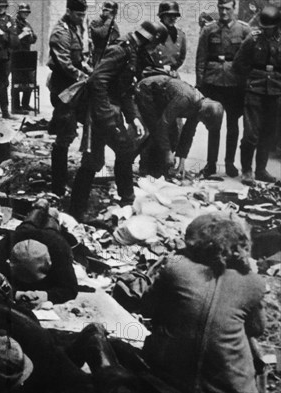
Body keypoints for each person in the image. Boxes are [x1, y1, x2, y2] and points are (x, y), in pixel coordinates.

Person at [141, 213, 266, 393]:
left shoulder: (177, 268)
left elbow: (147, 308)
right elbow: (256, 329)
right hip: (231, 388)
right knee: (249, 343)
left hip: (170, 381)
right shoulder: (253, 282)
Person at [69, 21, 167, 221]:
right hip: (101, 112)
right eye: (156, 44)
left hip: (108, 110)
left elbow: (124, 90)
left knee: (108, 156)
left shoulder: (131, 50)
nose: (155, 49)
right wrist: (105, 115)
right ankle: (85, 210)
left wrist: (132, 119)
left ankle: (114, 203)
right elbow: (97, 81)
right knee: (111, 155)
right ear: (150, 39)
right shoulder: (120, 51)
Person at [0, 200, 78, 305]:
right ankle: (38, 208)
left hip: (51, 236)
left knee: (51, 225)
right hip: (24, 233)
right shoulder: (9, 241)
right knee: (28, 224)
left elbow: (70, 288)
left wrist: (45, 296)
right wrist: (16, 294)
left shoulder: (59, 248)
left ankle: (51, 214)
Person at [191, 0, 252, 177]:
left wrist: (246, 81)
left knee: (233, 125)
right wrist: (200, 83)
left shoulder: (244, 30)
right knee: (214, 125)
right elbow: (201, 57)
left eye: (227, 9)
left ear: (234, 9)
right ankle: (211, 164)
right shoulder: (209, 29)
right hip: (213, 83)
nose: (223, 12)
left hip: (235, 84)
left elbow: (249, 58)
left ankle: (230, 163)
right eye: (220, 8)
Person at [135, 75, 224, 178]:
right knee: (156, 133)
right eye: (204, 122)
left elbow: (188, 133)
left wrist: (182, 160)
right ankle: (143, 168)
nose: (201, 123)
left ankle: (157, 169)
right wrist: (167, 152)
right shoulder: (185, 99)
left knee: (172, 137)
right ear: (204, 114)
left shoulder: (200, 107)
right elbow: (163, 124)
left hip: (161, 97)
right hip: (147, 91)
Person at [47, 0, 92, 196]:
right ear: (68, 11)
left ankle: (72, 176)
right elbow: (64, 63)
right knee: (65, 135)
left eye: (83, 15)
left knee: (79, 127)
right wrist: (83, 75)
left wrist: (89, 69)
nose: (82, 18)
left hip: (75, 90)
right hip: (64, 90)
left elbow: (79, 58)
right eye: (78, 15)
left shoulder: (75, 28)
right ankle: (58, 185)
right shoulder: (61, 32)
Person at [233, 5, 281, 184]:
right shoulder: (252, 39)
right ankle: (246, 170)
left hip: (275, 91)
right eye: (264, 28)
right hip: (254, 90)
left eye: (270, 28)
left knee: (268, 133)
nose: (266, 31)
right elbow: (238, 64)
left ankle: (261, 170)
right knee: (251, 133)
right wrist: (250, 80)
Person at [141, 1, 187, 79]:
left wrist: (172, 69)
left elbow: (181, 57)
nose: (172, 18)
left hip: (171, 74)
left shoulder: (180, 35)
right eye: (169, 15)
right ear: (162, 16)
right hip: (152, 73)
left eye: (175, 16)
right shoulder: (151, 31)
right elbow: (141, 53)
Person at [11, 3, 38, 114]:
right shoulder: (13, 24)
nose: (25, 14)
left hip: (27, 55)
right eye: (23, 12)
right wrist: (22, 33)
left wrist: (31, 34)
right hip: (16, 55)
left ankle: (25, 104)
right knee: (16, 81)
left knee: (30, 80)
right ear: (19, 12)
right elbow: (12, 41)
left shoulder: (27, 23)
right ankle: (16, 107)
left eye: (27, 12)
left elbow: (33, 39)